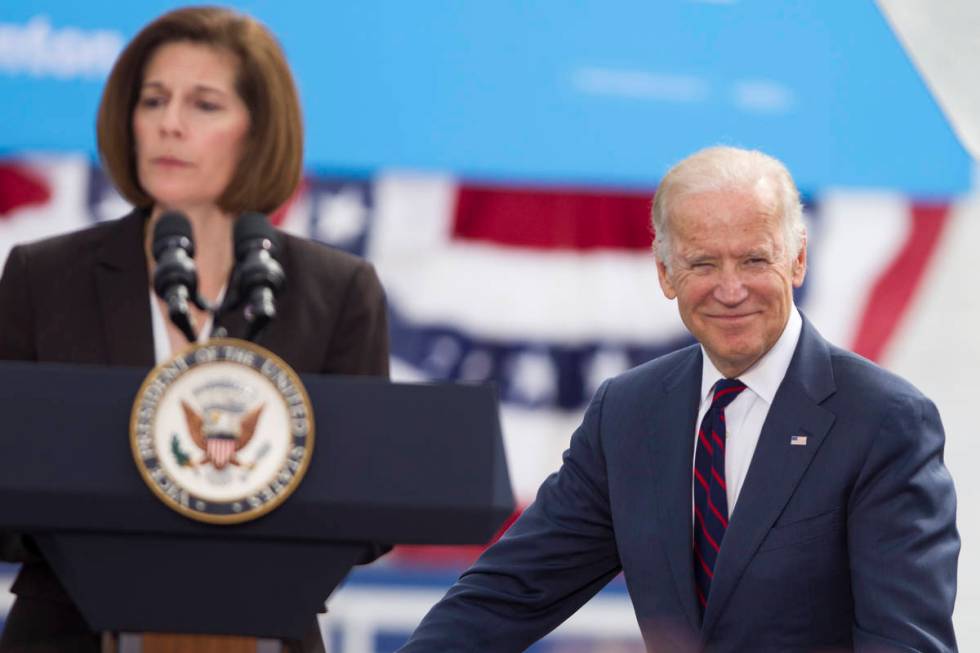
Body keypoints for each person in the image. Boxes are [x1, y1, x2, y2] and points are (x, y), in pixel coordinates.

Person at [397, 146, 959, 652]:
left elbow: (904, 643)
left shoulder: (885, 421)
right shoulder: (629, 412)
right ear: (666, 273)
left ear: (798, 260)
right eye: (703, 263)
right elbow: (513, 592)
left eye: (755, 260)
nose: (731, 289)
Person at [0, 7, 388, 652]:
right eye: (153, 100)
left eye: (204, 104)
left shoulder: (336, 290)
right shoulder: (44, 276)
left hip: (263, 633)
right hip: (67, 632)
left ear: (259, 131)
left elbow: (371, 511)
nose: (168, 124)